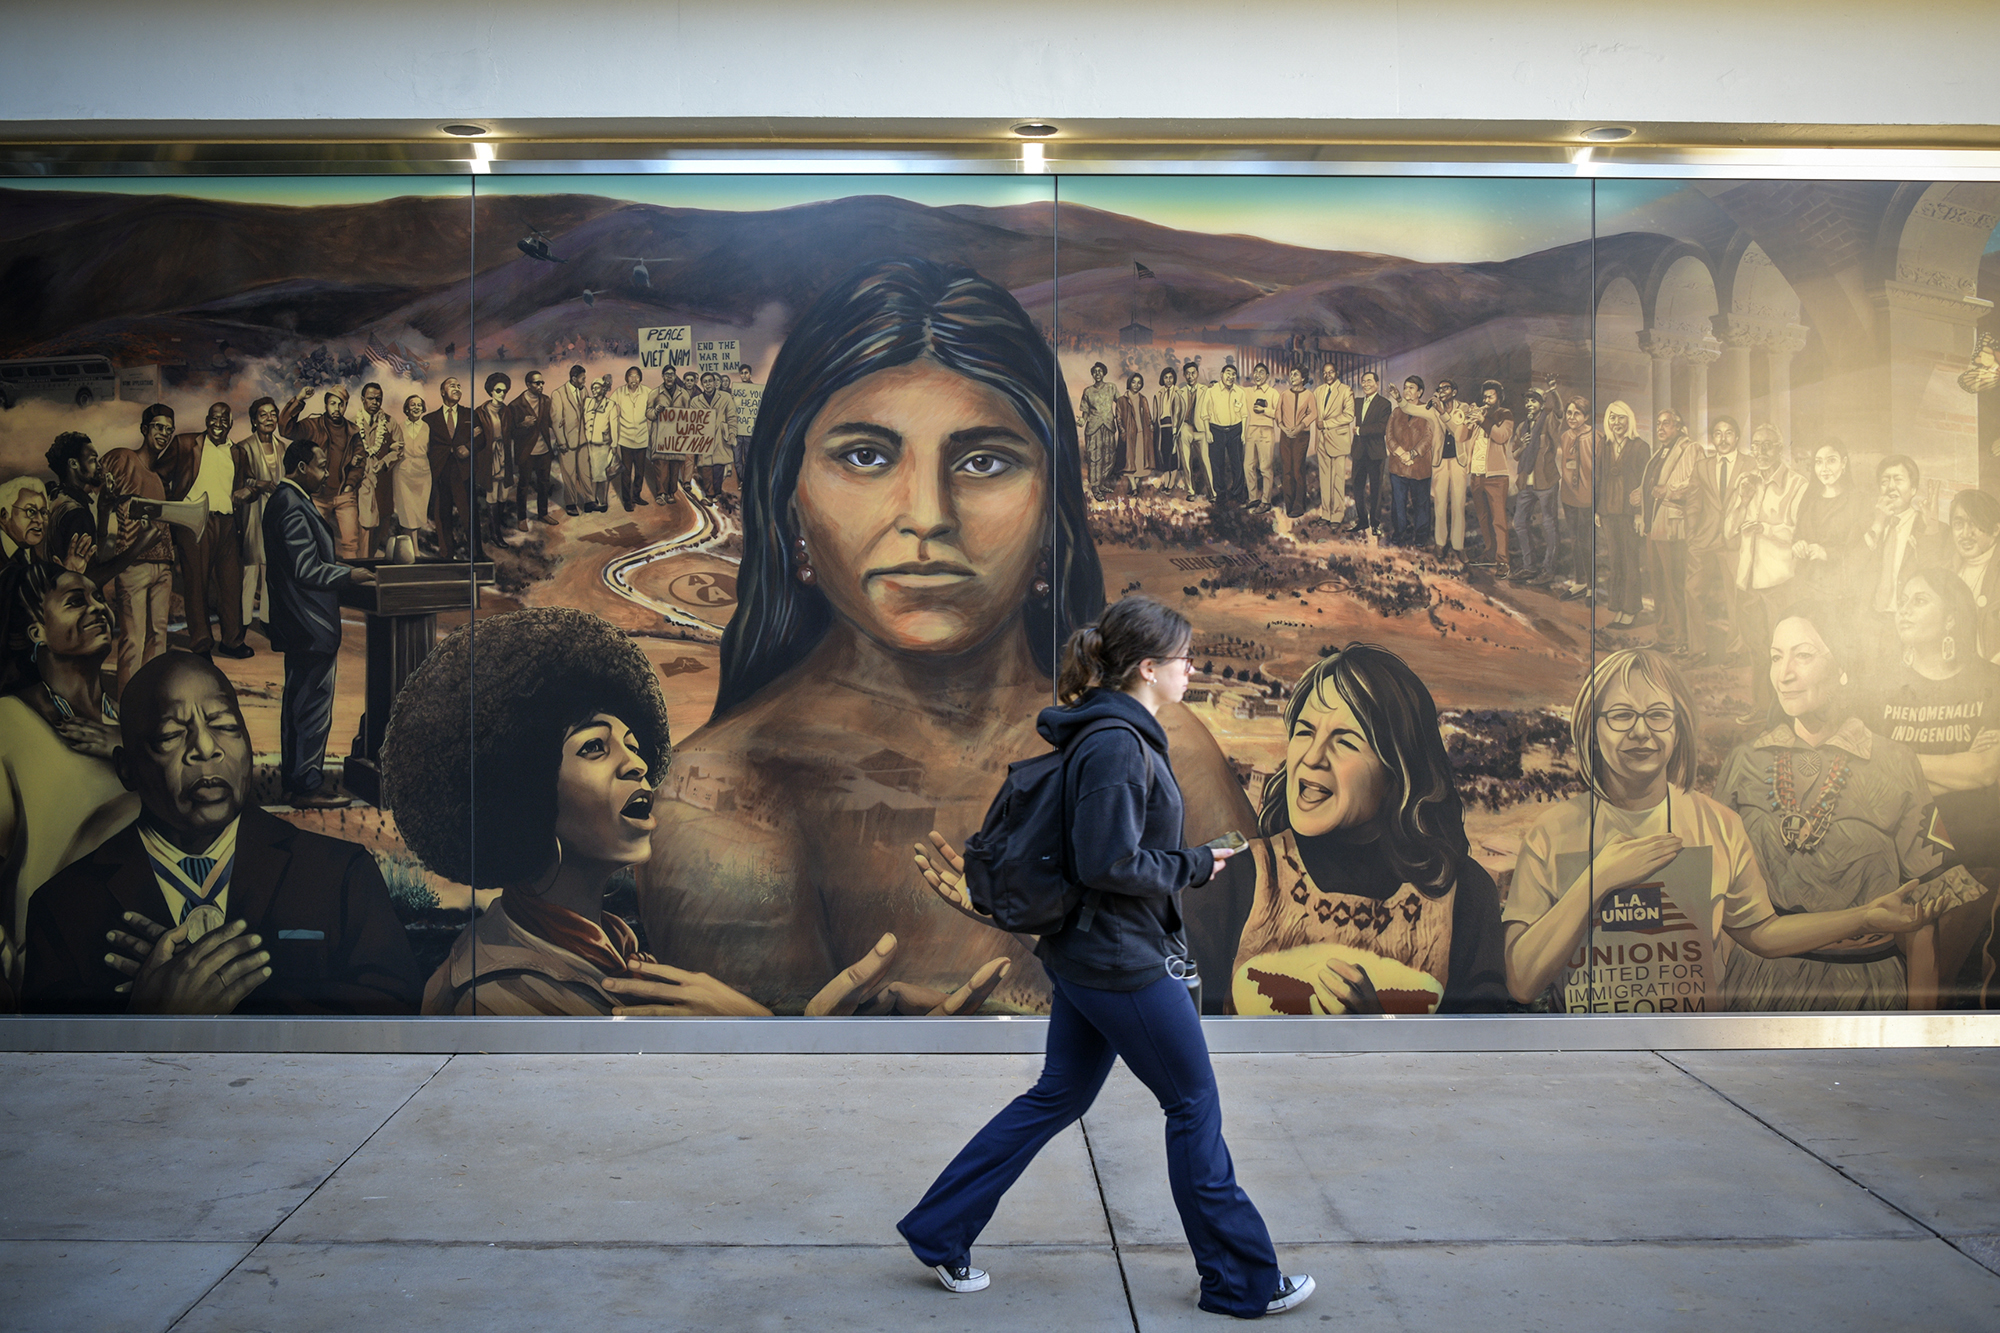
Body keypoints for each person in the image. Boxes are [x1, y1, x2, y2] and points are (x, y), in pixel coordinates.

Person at [640, 258, 1258, 1014]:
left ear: (1049, 510)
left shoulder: (1174, 753)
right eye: (866, 455)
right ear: (789, 501)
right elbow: (774, 1113)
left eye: (983, 460)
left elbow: (1209, 1034)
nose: (928, 514)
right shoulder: (729, 793)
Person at [898, 595, 1314, 1320]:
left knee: (1059, 1094)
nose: (1192, 668)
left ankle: (939, 1228)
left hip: (1088, 952)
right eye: (1183, 657)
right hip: (1116, 959)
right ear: (1148, 667)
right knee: (1192, 1103)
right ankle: (1241, 1278)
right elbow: (1107, 859)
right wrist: (1191, 864)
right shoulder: (1118, 743)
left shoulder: (1110, 732)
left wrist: (1184, 862)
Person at [384, 608, 1005, 1017]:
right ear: (517, 786)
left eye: (633, 744)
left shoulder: (602, 949)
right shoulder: (503, 995)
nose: (635, 764)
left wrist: (848, 1026)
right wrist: (759, 1034)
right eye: (595, 748)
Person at [1504, 646, 1950, 1012]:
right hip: (1591, 1065)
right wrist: (1599, 878)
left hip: (1696, 1064)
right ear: (1591, 726)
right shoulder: (1553, 833)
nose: (1641, 732)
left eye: (1659, 715)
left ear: (1679, 727)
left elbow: (1762, 934)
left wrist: (1865, 916)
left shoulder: (1717, 824)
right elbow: (1522, 980)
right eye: (1620, 715)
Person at [24, 651, 421, 1014]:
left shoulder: (340, 875)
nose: (206, 747)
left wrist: (227, 1003)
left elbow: (396, 1020)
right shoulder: (63, 908)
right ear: (126, 768)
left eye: (225, 725)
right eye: (170, 735)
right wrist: (146, 1020)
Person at [1714, 604, 1975, 1011]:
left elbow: (1923, 918)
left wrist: (1917, 1036)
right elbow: (1718, 904)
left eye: (1803, 655)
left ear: (1844, 667)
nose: (1785, 674)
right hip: (1757, 985)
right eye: (1776, 657)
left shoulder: (1894, 763)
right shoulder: (1745, 762)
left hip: (1865, 988)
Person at [1230, 644, 1508, 1013]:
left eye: (1345, 741)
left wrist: (1380, 1028)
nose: (1312, 758)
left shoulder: (1464, 893)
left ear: (1398, 770)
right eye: (1305, 732)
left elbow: (1480, 1054)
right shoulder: (1237, 876)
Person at [0, 564, 139, 1004]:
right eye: (76, 601)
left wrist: (130, 747)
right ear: (36, 630)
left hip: (143, 975)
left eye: (100, 598)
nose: (99, 609)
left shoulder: (128, 721)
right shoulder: (10, 725)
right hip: (55, 979)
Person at [263, 439, 377, 809]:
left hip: (299, 623)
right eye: (321, 466)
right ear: (299, 469)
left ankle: (297, 782)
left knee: (300, 705)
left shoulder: (287, 500)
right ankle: (307, 787)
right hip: (308, 624)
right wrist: (350, 576)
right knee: (311, 707)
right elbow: (306, 568)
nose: (328, 473)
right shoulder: (292, 506)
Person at [166, 401, 255, 659]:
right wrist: (173, 510)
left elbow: (249, 483)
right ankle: (201, 644)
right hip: (194, 522)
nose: (218, 424)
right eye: (214, 419)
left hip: (227, 523)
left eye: (224, 420)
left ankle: (232, 641)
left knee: (230, 584)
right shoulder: (185, 444)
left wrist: (250, 491)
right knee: (197, 584)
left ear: (230, 423)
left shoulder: (237, 452)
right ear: (206, 419)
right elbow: (160, 474)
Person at [1729, 424, 1808, 713]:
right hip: (1746, 584)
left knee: (1782, 652)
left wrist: (1766, 528)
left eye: (1768, 446)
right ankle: (1762, 710)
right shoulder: (1747, 481)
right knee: (1756, 651)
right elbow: (1728, 531)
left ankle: (1786, 712)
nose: (1761, 452)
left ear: (1780, 449)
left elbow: (1798, 532)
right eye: (1756, 445)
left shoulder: (1797, 483)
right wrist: (1743, 500)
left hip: (1777, 584)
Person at [99, 406, 177, 692]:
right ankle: (127, 705)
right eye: (158, 427)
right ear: (144, 429)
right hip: (133, 566)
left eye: (169, 429)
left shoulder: (157, 479)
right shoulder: (123, 458)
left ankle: (149, 702)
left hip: (163, 567)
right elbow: (98, 490)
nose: (164, 434)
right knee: (133, 638)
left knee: (158, 638)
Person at [1861, 454, 1948, 661]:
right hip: (1870, 624)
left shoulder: (1930, 528)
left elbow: (1936, 578)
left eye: (1898, 480)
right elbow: (1852, 569)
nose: (1891, 487)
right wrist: (1878, 524)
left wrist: (1931, 533)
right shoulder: (1867, 525)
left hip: (1909, 627)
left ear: (1914, 489)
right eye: (1884, 481)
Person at [279, 386, 365, 559]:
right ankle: (324, 582)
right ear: (326, 404)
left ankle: (353, 583)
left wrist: (349, 485)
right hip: (318, 495)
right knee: (318, 543)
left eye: (341, 404)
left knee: (351, 543)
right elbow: (285, 429)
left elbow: (359, 461)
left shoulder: (352, 432)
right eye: (332, 403)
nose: (337, 408)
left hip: (344, 496)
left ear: (346, 406)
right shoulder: (313, 426)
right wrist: (299, 399)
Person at [1685, 416, 1746, 655]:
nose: (1723, 438)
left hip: (1735, 541)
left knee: (1736, 597)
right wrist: (1692, 533)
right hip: (1703, 539)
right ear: (1712, 438)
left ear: (1737, 438)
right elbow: (1692, 501)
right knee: (1692, 592)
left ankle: (1735, 650)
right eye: (1718, 433)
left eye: (1728, 433)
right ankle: (1697, 650)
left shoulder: (1749, 464)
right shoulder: (1702, 466)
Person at [1644, 408, 1701, 653]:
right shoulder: (1660, 452)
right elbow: (1651, 482)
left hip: (1674, 526)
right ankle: (1666, 637)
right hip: (1654, 525)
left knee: (1675, 584)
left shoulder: (1690, 448)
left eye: (1666, 423)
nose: (1660, 428)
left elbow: (1693, 482)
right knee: (1658, 583)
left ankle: (1684, 640)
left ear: (1678, 426)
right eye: (1658, 423)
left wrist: (1667, 490)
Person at [233, 399, 286, 623]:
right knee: (250, 568)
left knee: (271, 569)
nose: (269, 419)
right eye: (263, 415)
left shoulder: (282, 447)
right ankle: (243, 620)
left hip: (276, 513)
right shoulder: (243, 447)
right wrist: (258, 484)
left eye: (273, 414)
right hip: (252, 512)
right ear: (254, 420)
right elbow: (237, 480)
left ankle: (266, 619)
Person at [1596, 400, 1647, 629]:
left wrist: (1639, 514)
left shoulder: (1640, 446)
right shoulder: (1604, 446)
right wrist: (1598, 510)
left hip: (1628, 513)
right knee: (1615, 561)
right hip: (1608, 511)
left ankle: (1631, 609)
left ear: (1629, 419)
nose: (1617, 422)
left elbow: (1643, 486)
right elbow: (1600, 479)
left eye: (1621, 417)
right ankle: (1617, 607)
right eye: (1612, 418)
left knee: (1630, 561)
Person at [422, 376, 480, 561]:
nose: (457, 388)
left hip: (463, 473)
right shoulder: (429, 420)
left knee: (468, 514)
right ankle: (446, 555)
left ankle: (476, 555)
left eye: (459, 385)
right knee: (442, 515)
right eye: (452, 385)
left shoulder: (470, 415)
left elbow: (482, 438)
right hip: (440, 474)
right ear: (442, 391)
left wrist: (469, 447)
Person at [1385, 375, 1439, 547]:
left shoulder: (1428, 411)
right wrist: (1401, 453)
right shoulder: (1396, 412)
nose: (1407, 391)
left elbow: (1429, 437)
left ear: (1420, 392)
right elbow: (1390, 436)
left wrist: (1413, 454)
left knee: (1421, 503)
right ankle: (1399, 532)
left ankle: (1421, 536)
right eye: (1405, 387)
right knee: (1398, 502)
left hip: (1419, 466)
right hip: (1398, 466)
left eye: (1411, 388)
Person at [1467, 380, 1515, 574]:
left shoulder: (1504, 414)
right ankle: (1490, 553)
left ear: (1499, 398)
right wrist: (1468, 420)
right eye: (1484, 396)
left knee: (1498, 519)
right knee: (1484, 518)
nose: (1486, 400)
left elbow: (1501, 436)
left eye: (1491, 396)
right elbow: (1462, 437)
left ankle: (1503, 561)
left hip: (1496, 475)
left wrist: (1482, 420)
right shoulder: (1481, 415)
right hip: (1476, 473)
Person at [1947, 488, 2000, 660]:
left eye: (1975, 523)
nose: (1965, 533)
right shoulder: (1948, 570)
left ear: (1995, 530)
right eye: (1958, 524)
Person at [352, 382, 402, 557]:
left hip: (382, 484)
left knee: (381, 525)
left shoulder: (390, 422)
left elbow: (398, 448)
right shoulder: (352, 422)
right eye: (371, 398)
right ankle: (362, 562)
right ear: (362, 399)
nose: (375, 402)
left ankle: (370, 561)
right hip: (360, 484)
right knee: (363, 524)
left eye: (378, 399)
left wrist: (385, 461)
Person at [1556, 396, 1596, 601]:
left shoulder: (1596, 438)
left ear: (1586, 416)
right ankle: (1580, 582)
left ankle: (1592, 586)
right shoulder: (1565, 436)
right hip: (1569, 497)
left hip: (1588, 498)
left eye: (1577, 413)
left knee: (1586, 542)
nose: (1571, 417)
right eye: (1569, 413)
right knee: (1574, 541)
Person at [1430, 379, 1473, 562]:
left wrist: (1442, 413)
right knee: (1440, 505)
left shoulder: (1463, 409)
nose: (1441, 390)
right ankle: (1440, 543)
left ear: (1454, 392)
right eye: (1439, 388)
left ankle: (1458, 545)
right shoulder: (1433, 409)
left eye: (1445, 387)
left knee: (1458, 504)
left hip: (1458, 461)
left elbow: (1458, 432)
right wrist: (1400, 399)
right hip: (1439, 462)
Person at [1196, 363, 1249, 505]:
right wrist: (1208, 432)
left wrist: (1243, 433)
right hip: (1216, 431)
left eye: (1233, 374)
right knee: (1216, 464)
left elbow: (1244, 415)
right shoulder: (1211, 391)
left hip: (1235, 431)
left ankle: (1238, 493)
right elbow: (1205, 414)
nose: (1230, 377)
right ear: (1221, 375)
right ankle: (1220, 493)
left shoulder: (1240, 392)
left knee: (1237, 463)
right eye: (1228, 373)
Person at [509, 369, 555, 527]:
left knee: (544, 484)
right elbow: (510, 432)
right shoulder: (515, 405)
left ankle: (543, 514)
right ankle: (522, 519)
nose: (541, 385)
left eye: (542, 382)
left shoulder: (546, 400)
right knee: (523, 485)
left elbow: (551, 422)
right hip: (526, 453)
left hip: (544, 451)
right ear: (528, 385)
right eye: (537, 383)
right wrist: (523, 425)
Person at [1311, 363, 1354, 526]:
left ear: (1337, 373)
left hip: (1338, 441)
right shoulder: (1318, 391)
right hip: (1322, 442)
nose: (1328, 375)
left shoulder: (1345, 390)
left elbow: (1349, 416)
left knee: (1337, 480)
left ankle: (1337, 515)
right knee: (1324, 479)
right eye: (1325, 373)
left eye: (1331, 372)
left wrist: (1328, 424)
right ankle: (1326, 514)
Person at [1272, 366, 1317, 519]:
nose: (1292, 377)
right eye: (1291, 374)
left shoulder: (1309, 395)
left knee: (1298, 469)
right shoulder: (1284, 394)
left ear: (1303, 378)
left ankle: (1299, 505)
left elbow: (1313, 413)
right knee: (1287, 471)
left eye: (1295, 374)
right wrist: (1283, 426)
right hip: (1285, 434)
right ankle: (1288, 505)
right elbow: (1278, 412)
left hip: (1302, 435)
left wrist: (1299, 427)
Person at [1351, 371, 1391, 535]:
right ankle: (1362, 521)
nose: (1366, 384)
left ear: (1377, 383)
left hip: (1376, 453)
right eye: (1363, 381)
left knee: (1376, 489)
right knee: (1357, 487)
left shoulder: (1384, 403)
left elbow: (1382, 428)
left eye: (1369, 381)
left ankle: (1375, 523)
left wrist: (1361, 430)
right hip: (1359, 452)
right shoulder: (1357, 402)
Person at [392, 393, 432, 557]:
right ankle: (414, 551)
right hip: (404, 473)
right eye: (412, 404)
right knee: (407, 512)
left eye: (419, 405)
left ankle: (410, 549)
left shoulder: (428, 427)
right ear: (406, 409)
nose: (416, 407)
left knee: (418, 512)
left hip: (423, 474)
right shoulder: (399, 427)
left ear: (422, 408)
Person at [609, 365, 652, 510]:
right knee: (626, 473)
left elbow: (656, 408)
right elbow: (609, 408)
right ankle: (627, 501)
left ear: (640, 378)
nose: (634, 379)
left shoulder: (647, 392)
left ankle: (636, 496)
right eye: (631, 376)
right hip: (625, 439)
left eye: (636, 376)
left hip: (641, 438)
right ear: (626, 378)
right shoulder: (619, 392)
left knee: (640, 472)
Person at [550, 363, 591, 514]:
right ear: (574, 378)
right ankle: (571, 504)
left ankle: (589, 501)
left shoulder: (584, 390)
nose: (584, 381)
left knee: (586, 472)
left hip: (583, 440)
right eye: (582, 378)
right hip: (566, 442)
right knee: (569, 474)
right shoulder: (558, 394)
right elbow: (556, 420)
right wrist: (561, 442)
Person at [646, 366, 689, 505]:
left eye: (672, 374)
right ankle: (661, 493)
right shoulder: (655, 393)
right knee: (661, 466)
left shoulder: (683, 394)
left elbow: (690, 414)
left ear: (676, 376)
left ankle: (671, 492)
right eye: (666, 374)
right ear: (662, 376)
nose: (669, 377)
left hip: (677, 436)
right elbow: (648, 413)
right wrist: (656, 411)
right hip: (661, 436)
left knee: (674, 466)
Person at [1242, 364, 1279, 510]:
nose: (1258, 375)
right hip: (1251, 430)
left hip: (1266, 431)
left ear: (1267, 375)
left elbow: (1278, 413)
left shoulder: (1273, 393)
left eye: (1261, 372)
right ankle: (1253, 499)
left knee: (1265, 467)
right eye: (1255, 372)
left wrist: (1264, 410)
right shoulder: (1247, 392)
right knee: (1248, 466)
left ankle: (1266, 501)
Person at [1079, 361, 1116, 497]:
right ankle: (1095, 487)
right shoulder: (1088, 391)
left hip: (1108, 426)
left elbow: (1122, 404)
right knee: (1095, 458)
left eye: (1100, 371)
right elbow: (1085, 412)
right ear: (1092, 374)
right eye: (1095, 372)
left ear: (1104, 373)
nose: (1098, 374)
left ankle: (1101, 483)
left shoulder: (1112, 388)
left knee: (1109, 457)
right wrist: (1081, 421)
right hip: (1093, 428)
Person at [1113, 370, 1153, 495]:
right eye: (1134, 382)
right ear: (1129, 383)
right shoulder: (1121, 400)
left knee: (1139, 463)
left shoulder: (1143, 399)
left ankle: (1134, 487)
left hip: (1142, 434)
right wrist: (1123, 432)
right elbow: (1118, 418)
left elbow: (1148, 415)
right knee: (1129, 463)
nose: (1136, 385)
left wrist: (1150, 427)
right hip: (1130, 435)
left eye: (1139, 383)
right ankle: (1134, 488)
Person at [1151, 366, 1189, 494]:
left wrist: (1175, 429)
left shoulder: (1178, 393)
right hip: (1161, 428)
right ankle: (1166, 482)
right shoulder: (1159, 394)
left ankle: (1171, 484)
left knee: (1174, 456)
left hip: (1173, 427)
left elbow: (1179, 412)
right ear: (1162, 378)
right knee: (1164, 455)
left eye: (1170, 377)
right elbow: (1156, 414)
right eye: (1166, 377)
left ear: (1174, 379)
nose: (1168, 380)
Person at [581, 374, 615, 513]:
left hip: (603, 445)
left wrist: (614, 445)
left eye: (597, 388)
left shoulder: (610, 404)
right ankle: (591, 501)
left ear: (603, 389)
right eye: (593, 388)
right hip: (589, 444)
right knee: (591, 475)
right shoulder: (588, 402)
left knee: (603, 475)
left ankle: (603, 501)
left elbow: (614, 425)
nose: (594, 391)